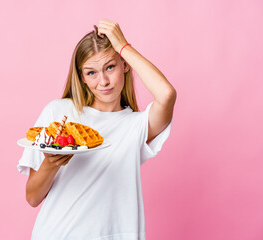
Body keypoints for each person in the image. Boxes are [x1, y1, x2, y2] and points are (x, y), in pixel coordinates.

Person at [17, 19, 176, 240]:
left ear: (125, 65)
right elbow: (32, 197)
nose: (103, 81)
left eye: (110, 67)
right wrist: (50, 164)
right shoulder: (58, 113)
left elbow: (166, 94)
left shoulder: (137, 125)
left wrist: (122, 46)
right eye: (91, 73)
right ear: (82, 78)